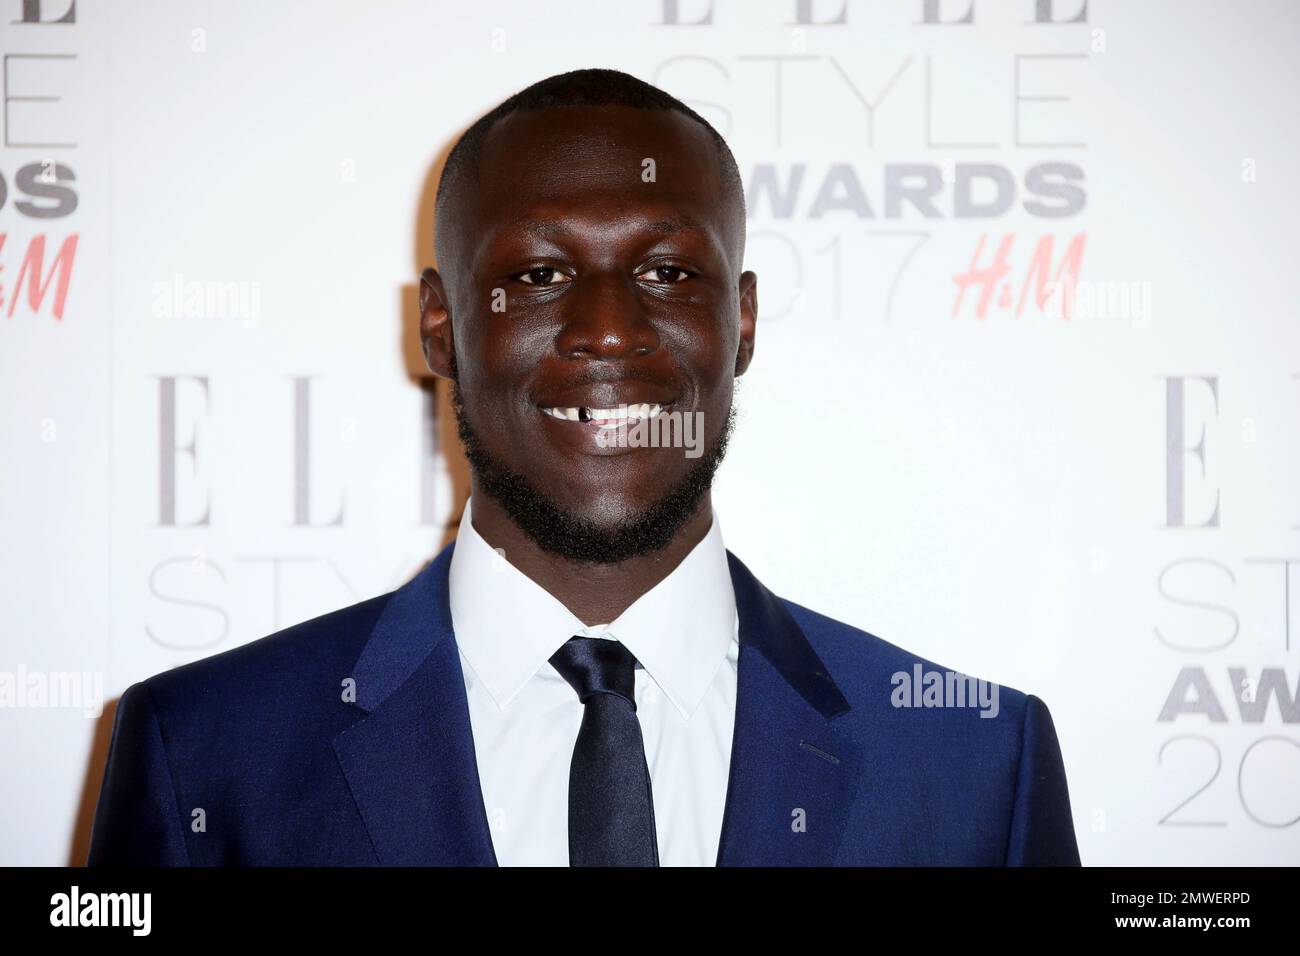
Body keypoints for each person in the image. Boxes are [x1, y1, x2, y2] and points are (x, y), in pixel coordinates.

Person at [87, 68, 1081, 867]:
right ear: (440, 324)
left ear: (740, 322)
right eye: (537, 275)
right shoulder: (204, 754)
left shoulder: (976, 764)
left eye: (666, 273)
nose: (608, 328)